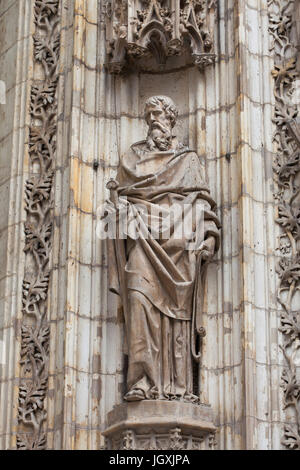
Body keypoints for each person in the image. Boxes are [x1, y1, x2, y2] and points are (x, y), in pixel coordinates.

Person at [107, 96, 220, 402]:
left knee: (177, 319)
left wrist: (208, 238)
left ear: (171, 118)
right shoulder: (132, 160)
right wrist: (116, 212)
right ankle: (143, 381)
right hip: (142, 241)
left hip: (181, 247)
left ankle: (177, 387)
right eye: (148, 116)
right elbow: (120, 204)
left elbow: (202, 205)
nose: (153, 120)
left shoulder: (188, 161)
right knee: (138, 299)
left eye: (157, 114)